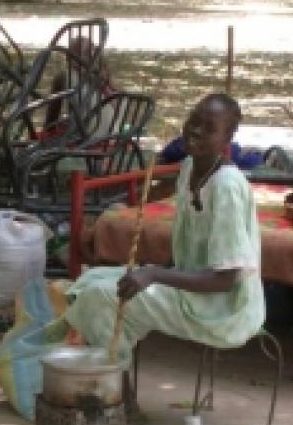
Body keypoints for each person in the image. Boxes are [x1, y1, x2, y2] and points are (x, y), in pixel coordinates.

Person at [52, 93, 266, 371]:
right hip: (193, 290)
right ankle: (108, 376)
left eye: (210, 128)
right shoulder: (190, 167)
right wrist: (151, 272)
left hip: (221, 308)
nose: (197, 130)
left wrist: (154, 275)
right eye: (194, 120)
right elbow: (186, 244)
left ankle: (113, 386)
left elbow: (225, 279)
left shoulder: (226, 186)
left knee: (102, 296)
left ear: (227, 140)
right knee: (89, 281)